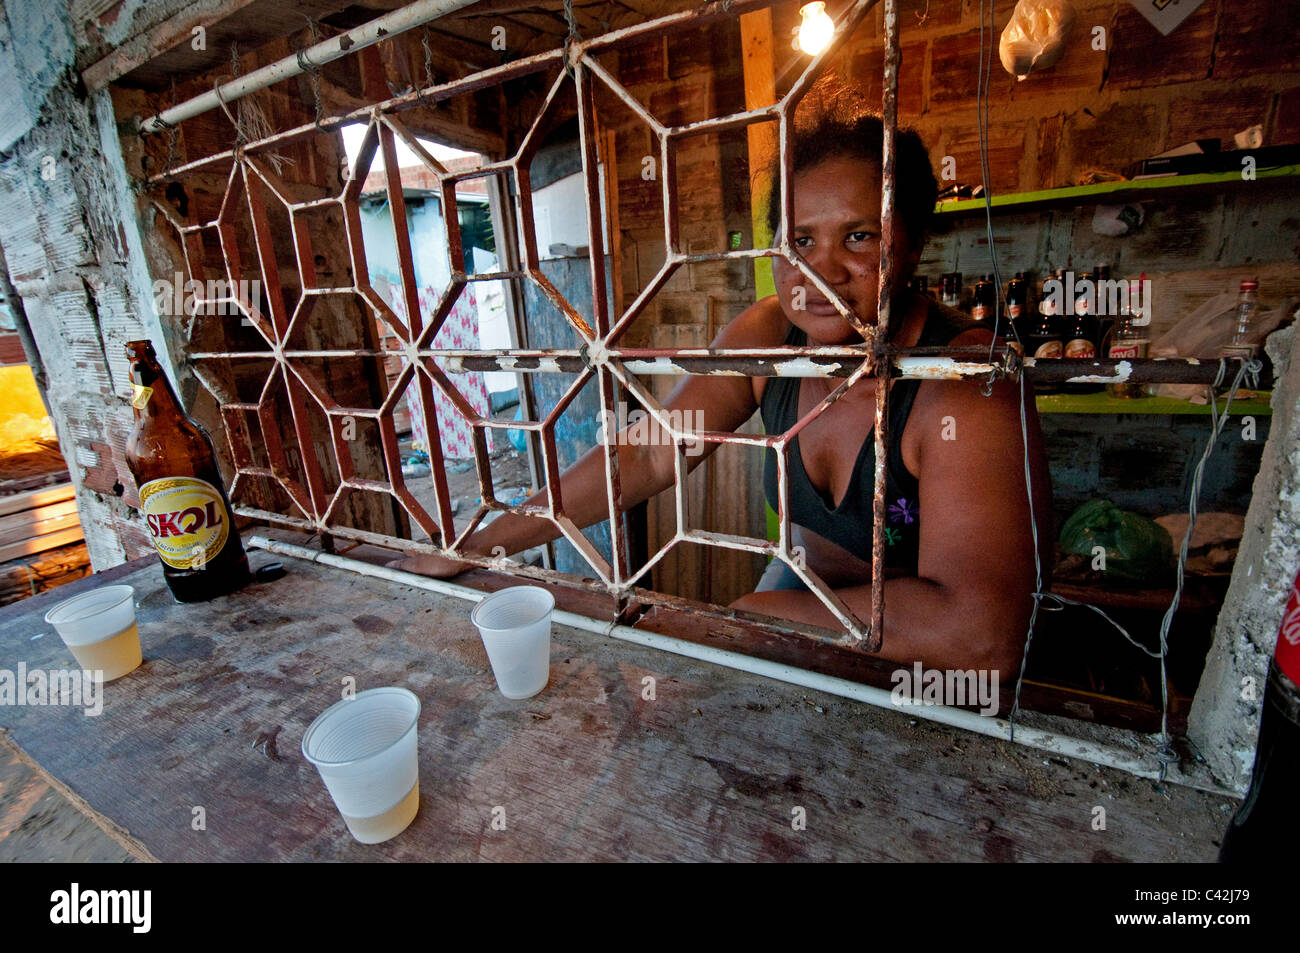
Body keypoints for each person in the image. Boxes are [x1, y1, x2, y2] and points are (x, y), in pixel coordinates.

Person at [392, 79, 1053, 678]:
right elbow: (652, 452)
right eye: (799, 242)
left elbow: (980, 635)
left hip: (921, 657)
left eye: (859, 237)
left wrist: (753, 615)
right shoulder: (770, 336)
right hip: (801, 596)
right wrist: (482, 542)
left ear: (911, 245)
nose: (821, 271)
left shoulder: (964, 379)